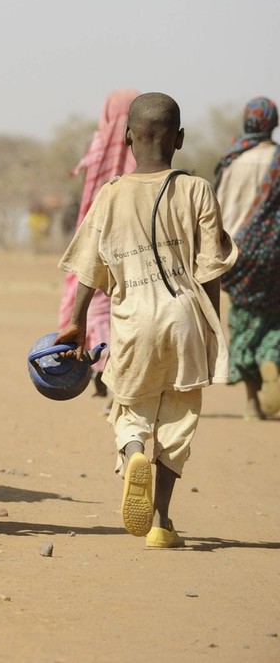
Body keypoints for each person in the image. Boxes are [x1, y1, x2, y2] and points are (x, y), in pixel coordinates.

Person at [58, 92, 236, 548]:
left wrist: (76, 321)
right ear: (179, 138)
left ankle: (135, 451)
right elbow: (210, 269)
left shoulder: (111, 194)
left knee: (129, 406)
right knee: (178, 418)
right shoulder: (197, 189)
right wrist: (211, 324)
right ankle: (161, 522)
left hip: (133, 317)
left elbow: (88, 268)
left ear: (126, 137)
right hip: (185, 317)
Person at [58, 89, 141, 399]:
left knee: (96, 304)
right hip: (135, 240)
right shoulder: (145, 149)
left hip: (96, 233)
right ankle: (120, 369)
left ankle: (99, 365)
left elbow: (87, 187)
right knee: (127, 304)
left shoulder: (97, 146)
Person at [213, 97, 280, 419]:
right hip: (277, 256)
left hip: (239, 255)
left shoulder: (232, 160)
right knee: (274, 319)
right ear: (274, 122)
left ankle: (252, 402)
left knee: (242, 321)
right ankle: (271, 358)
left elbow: (217, 210)